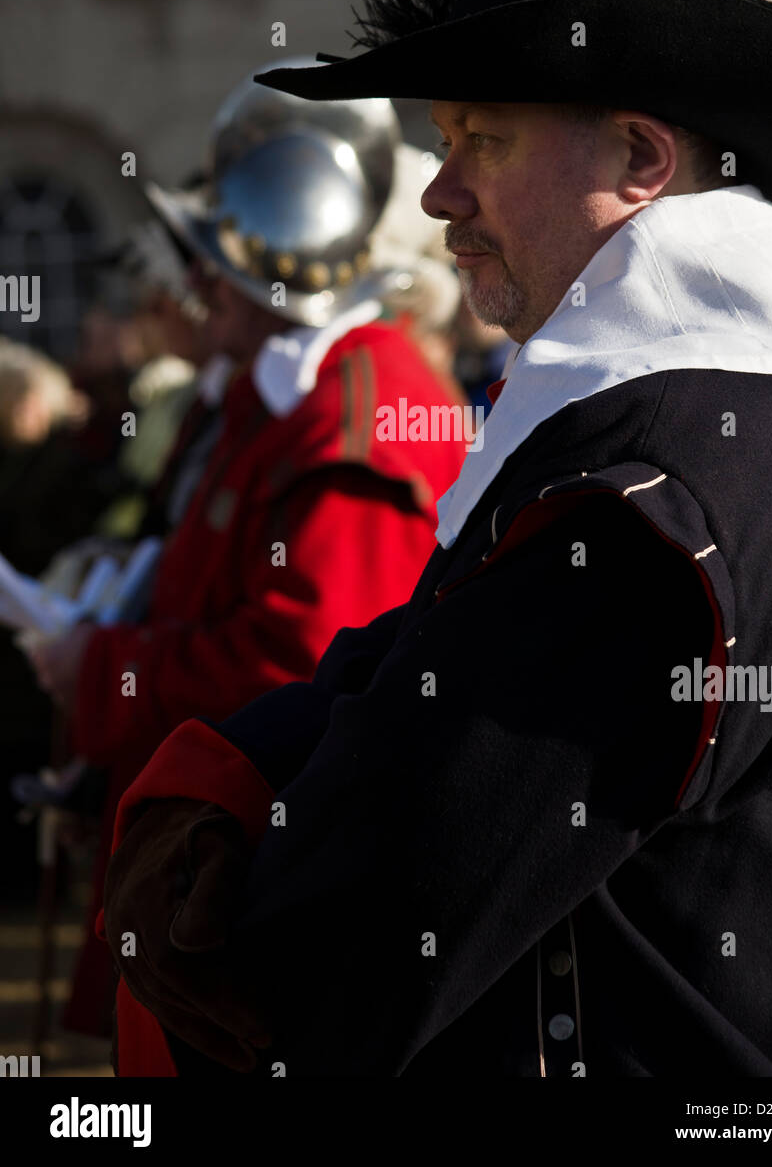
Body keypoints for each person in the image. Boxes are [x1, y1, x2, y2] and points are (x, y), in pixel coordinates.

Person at [102, 0, 772, 1076]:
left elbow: (381, 908)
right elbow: (424, 654)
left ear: (639, 159)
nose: (442, 192)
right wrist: (240, 763)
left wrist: (219, 892)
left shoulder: (639, 506)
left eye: (482, 142)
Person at [29, 71, 468, 1039]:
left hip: (254, 886)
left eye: (215, 262)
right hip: (210, 859)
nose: (192, 288)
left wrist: (101, 670)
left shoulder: (351, 407)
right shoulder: (299, 394)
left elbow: (296, 660)